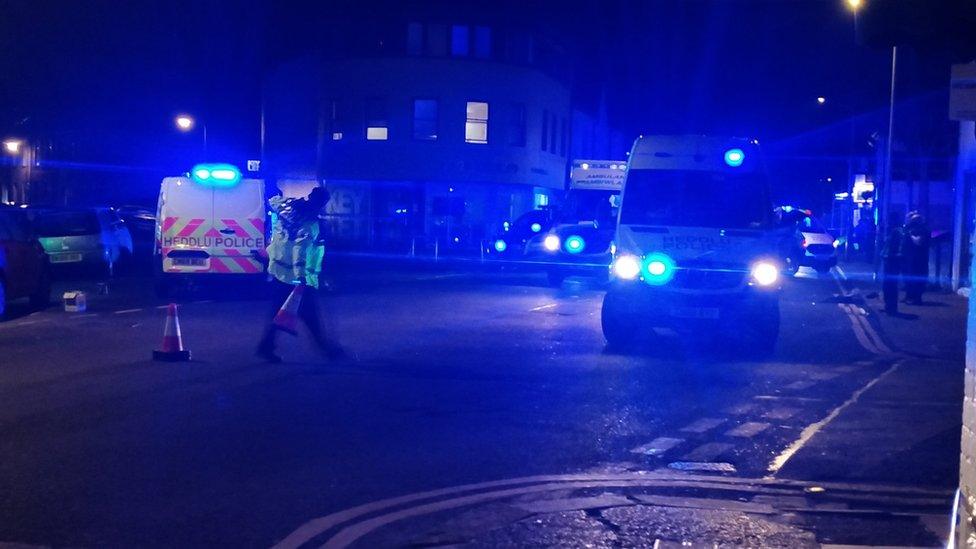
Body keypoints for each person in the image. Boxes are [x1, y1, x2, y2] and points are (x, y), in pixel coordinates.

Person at [257, 186, 345, 363]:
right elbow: (300, 249)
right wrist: (301, 277)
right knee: (309, 314)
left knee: (282, 312)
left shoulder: (287, 207)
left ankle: (266, 347)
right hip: (295, 277)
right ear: (322, 203)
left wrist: (280, 196)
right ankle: (327, 349)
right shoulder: (310, 223)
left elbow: (273, 201)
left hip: (279, 269)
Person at [902, 211, 930, 305]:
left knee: (916, 277)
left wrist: (911, 235)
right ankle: (909, 296)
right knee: (908, 277)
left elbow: (919, 242)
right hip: (909, 257)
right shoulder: (908, 228)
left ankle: (916, 298)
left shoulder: (922, 229)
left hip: (918, 258)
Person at [880, 215, 905, 315]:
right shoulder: (895, 231)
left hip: (892, 261)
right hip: (890, 260)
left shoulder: (897, 232)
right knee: (888, 285)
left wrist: (888, 256)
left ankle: (891, 308)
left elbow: (895, 248)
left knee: (890, 285)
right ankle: (888, 307)